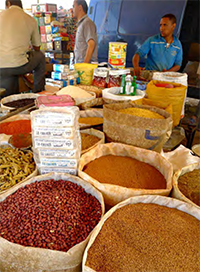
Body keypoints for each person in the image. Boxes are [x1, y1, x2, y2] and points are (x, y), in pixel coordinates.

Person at [0, 0, 45, 97]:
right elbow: (37, 47)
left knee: (8, 76)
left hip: (1, 67)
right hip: (18, 66)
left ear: (8, 3)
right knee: (40, 56)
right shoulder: (30, 19)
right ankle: (38, 93)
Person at [132, 14, 183, 78]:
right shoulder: (152, 40)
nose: (161, 28)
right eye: (160, 25)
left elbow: (178, 65)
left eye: (165, 25)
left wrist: (167, 72)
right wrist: (136, 67)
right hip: (149, 77)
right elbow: (138, 54)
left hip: (165, 79)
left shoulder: (178, 45)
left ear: (173, 26)